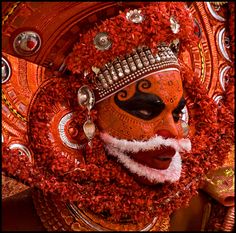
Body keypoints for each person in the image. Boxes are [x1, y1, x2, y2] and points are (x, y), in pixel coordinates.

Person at [2, 2, 234, 231]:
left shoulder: (203, 211)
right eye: (145, 111)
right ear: (87, 113)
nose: (172, 132)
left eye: (177, 114)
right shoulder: (13, 220)